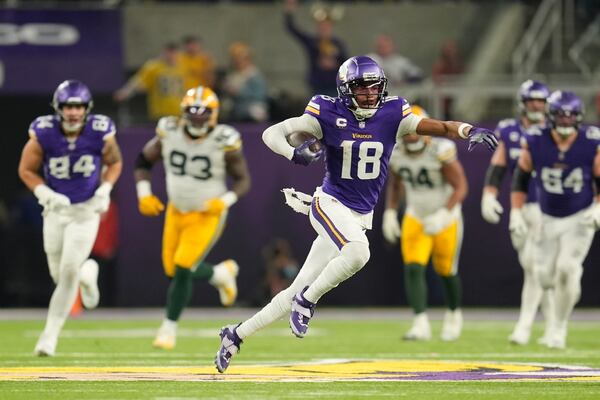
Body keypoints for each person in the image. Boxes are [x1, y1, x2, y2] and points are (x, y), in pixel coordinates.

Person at [214, 55, 497, 373]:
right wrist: (293, 152)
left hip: (358, 214)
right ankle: (308, 301)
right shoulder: (325, 110)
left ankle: (235, 335)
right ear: (345, 89)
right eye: (362, 89)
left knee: (294, 288)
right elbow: (272, 134)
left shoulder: (393, 113)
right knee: (359, 253)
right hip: (330, 204)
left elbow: (442, 127)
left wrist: (467, 130)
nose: (369, 95)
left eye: (374, 88)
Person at [133, 85, 251, 350]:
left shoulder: (224, 139)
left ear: (214, 114)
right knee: (172, 269)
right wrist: (143, 194)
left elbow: (243, 180)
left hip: (207, 213)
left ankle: (168, 329)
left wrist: (225, 200)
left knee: (184, 265)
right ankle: (220, 274)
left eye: (203, 113)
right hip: (176, 209)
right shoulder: (169, 130)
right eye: (193, 112)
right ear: (184, 113)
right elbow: (142, 162)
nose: (197, 118)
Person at [18, 80, 123, 356]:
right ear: (58, 108)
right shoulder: (44, 131)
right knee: (59, 274)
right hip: (55, 209)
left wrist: (105, 189)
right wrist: (44, 193)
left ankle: (49, 337)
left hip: (85, 210)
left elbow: (115, 162)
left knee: (66, 274)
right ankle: (88, 272)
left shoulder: (100, 131)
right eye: (68, 106)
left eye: (78, 106)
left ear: (86, 108)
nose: (73, 112)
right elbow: (26, 169)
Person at [510, 90, 600, 349]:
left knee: (567, 268)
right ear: (551, 116)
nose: (564, 121)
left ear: (579, 118)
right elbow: (521, 178)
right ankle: (567, 292)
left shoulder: (590, 141)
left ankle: (559, 328)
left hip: (579, 216)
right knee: (544, 276)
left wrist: (597, 206)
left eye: (570, 116)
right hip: (547, 216)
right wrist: (516, 211)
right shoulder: (536, 139)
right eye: (560, 116)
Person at [382, 105, 467, 342]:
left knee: (447, 271)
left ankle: (453, 315)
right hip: (415, 214)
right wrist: (390, 211)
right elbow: (396, 183)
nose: (410, 134)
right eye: (406, 129)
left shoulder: (440, 149)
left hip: (445, 215)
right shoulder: (395, 152)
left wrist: (443, 215)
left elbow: (460, 187)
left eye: (415, 128)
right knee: (413, 267)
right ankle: (420, 323)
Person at [481, 79, 555, 346]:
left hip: (549, 208)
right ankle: (553, 327)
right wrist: (488, 195)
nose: (537, 105)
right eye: (532, 100)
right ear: (523, 103)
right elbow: (498, 167)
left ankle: (524, 326)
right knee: (534, 267)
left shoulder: (555, 130)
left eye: (541, 100)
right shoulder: (509, 130)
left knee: (536, 267)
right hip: (520, 207)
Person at [284, 0, 348, 96]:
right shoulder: (312, 42)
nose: (324, 28)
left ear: (331, 27)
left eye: (326, 26)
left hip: (334, 86)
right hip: (317, 86)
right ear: (317, 27)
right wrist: (289, 12)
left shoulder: (338, 44)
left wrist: (334, 64)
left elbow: (347, 64)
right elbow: (292, 29)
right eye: (321, 26)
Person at [114, 43, 186, 121]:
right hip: (161, 112)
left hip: (180, 112)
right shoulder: (154, 67)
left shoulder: (184, 66)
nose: (171, 56)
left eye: (174, 53)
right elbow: (138, 82)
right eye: (169, 53)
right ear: (163, 53)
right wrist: (125, 92)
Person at [221, 41, 269, 122]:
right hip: (236, 107)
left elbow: (260, 95)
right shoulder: (233, 74)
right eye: (235, 59)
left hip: (251, 106)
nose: (237, 62)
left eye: (240, 58)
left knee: (257, 111)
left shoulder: (254, 74)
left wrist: (239, 92)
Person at [431, 40, 464, 120]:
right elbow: (437, 81)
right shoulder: (440, 66)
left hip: (455, 101)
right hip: (443, 105)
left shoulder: (458, 65)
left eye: (453, 49)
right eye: (448, 49)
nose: (451, 52)